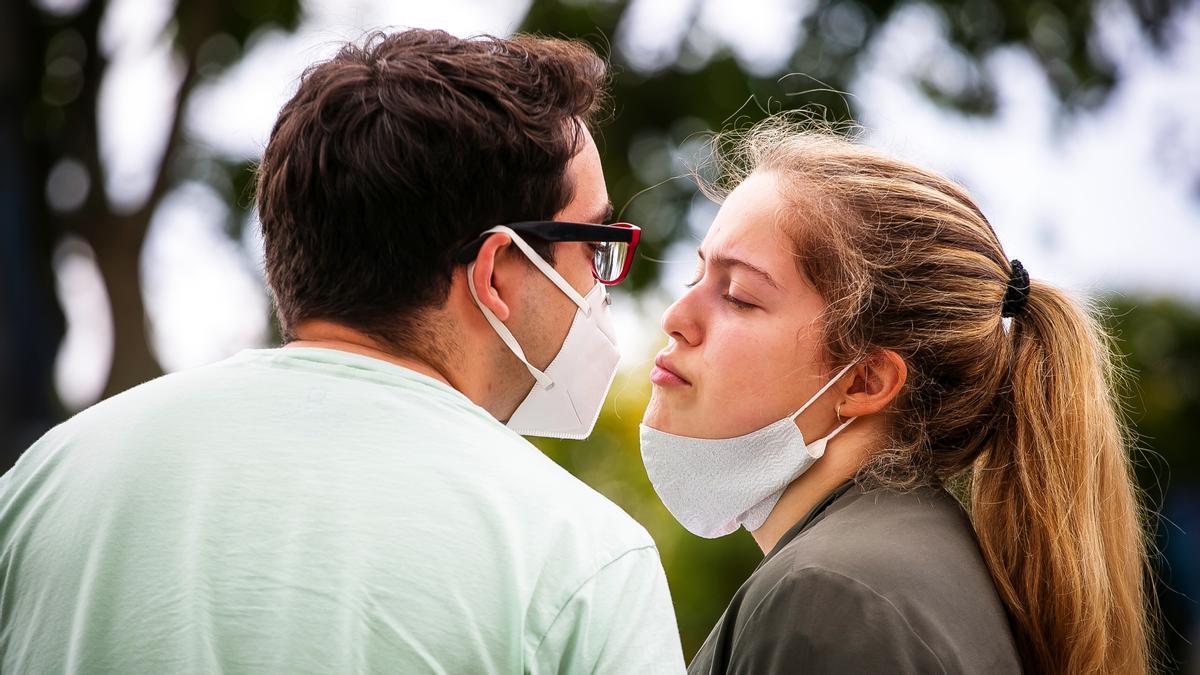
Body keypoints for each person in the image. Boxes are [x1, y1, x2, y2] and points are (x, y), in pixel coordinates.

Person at [0, 30, 685, 673]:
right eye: (595, 242)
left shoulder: (41, 485)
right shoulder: (579, 559)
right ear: (498, 271)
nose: (600, 280)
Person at [640, 119, 1155, 674]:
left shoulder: (831, 599)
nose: (676, 318)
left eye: (739, 296)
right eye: (696, 275)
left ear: (864, 382)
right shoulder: (899, 569)